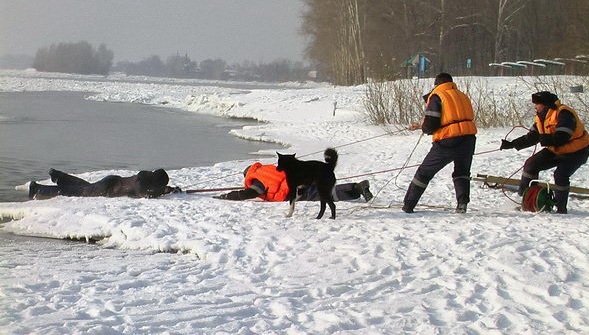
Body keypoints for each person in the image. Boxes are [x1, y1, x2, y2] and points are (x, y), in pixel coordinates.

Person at [499, 91, 589, 214]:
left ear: (546, 104)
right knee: (531, 165)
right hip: (556, 150)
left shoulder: (564, 113)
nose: (535, 107)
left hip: (577, 152)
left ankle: (560, 208)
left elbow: (562, 136)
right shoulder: (540, 117)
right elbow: (532, 137)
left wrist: (546, 139)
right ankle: (526, 200)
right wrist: (512, 144)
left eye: (537, 104)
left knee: (560, 175)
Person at [402, 73, 477, 214]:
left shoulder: (437, 96)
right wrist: (420, 125)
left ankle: (408, 205)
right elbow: (454, 118)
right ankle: (462, 203)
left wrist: (425, 129)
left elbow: (431, 124)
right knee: (462, 172)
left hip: (448, 141)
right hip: (468, 139)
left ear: (437, 84)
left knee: (424, 173)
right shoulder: (462, 96)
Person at [215, 162, 374, 202]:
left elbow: (250, 193)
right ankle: (355, 189)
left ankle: (357, 189)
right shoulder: (266, 169)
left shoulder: (257, 179)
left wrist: (228, 196)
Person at [21, 168, 182, 200]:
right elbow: (144, 193)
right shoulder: (141, 183)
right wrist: (163, 192)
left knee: (84, 187)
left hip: (111, 181)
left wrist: (168, 189)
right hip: (107, 189)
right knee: (74, 191)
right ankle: (38, 188)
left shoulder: (144, 176)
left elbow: (150, 189)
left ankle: (58, 176)